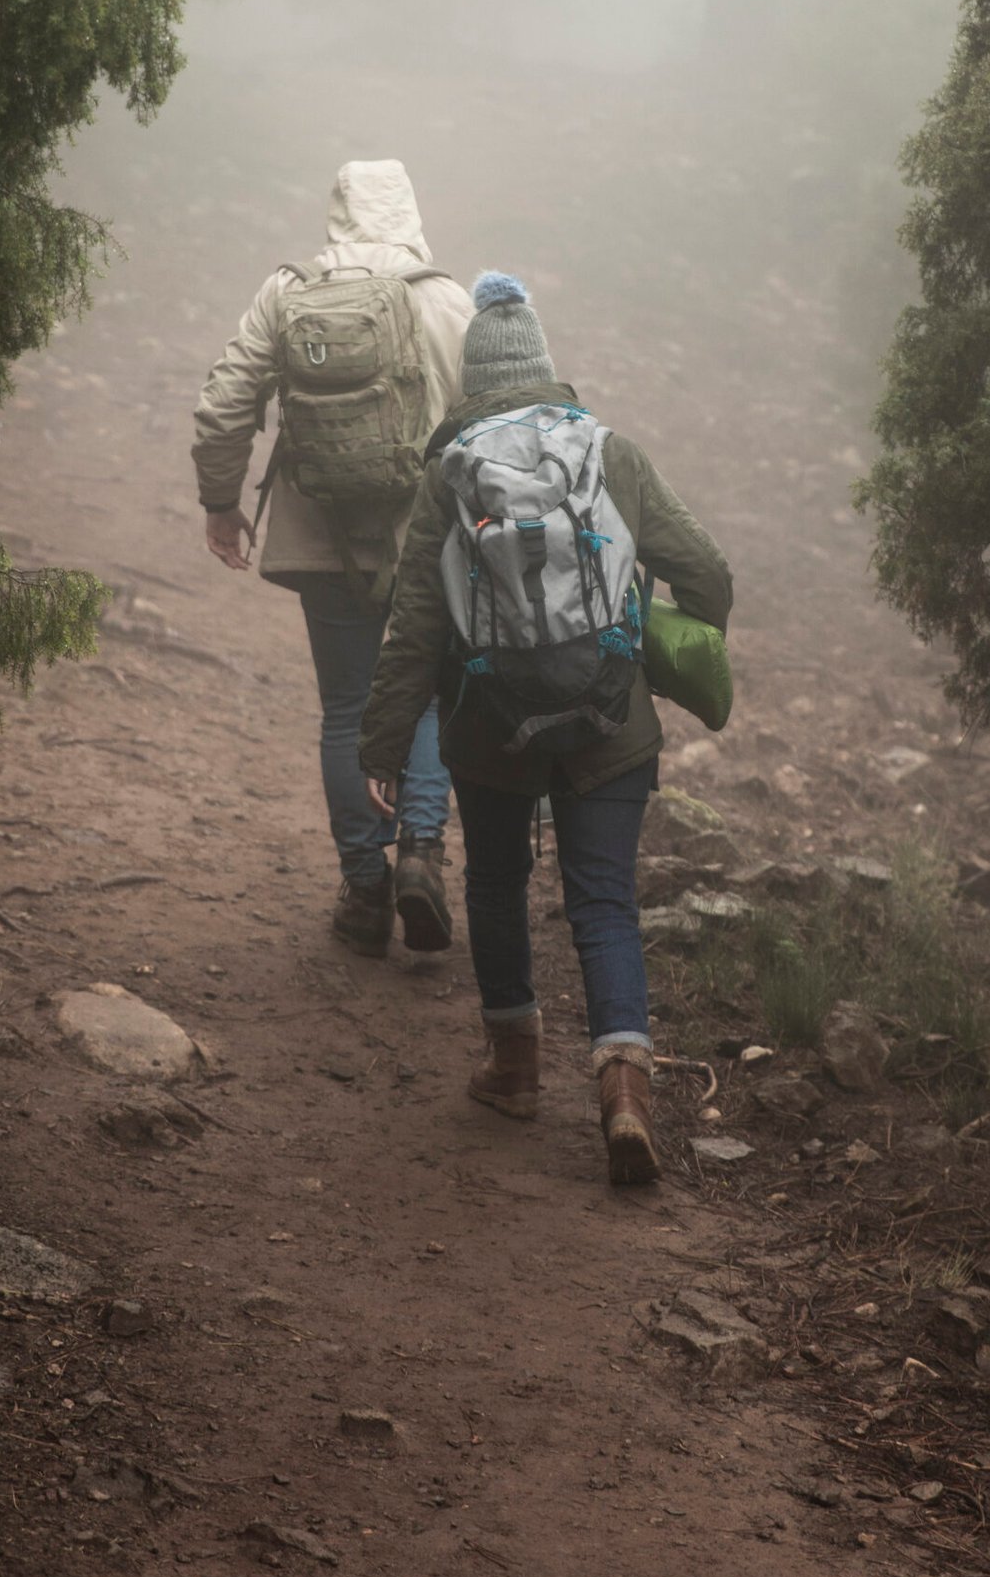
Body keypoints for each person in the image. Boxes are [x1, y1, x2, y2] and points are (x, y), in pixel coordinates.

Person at [358, 271, 732, 1185]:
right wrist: (669, 634)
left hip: (491, 731)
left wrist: (383, 746)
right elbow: (708, 571)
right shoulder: (610, 453)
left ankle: (515, 1070)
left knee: (494, 883)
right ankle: (625, 1097)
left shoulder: (448, 474)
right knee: (603, 898)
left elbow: (413, 625)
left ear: (470, 384)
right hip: (610, 722)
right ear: (546, 367)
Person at [193, 160, 473, 956]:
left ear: (339, 212)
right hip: (427, 543)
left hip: (323, 541)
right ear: (410, 212)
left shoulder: (289, 292)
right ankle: (422, 851)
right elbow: (492, 423)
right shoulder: (447, 300)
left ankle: (362, 888)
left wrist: (223, 502)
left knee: (348, 705)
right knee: (424, 698)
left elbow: (223, 405)